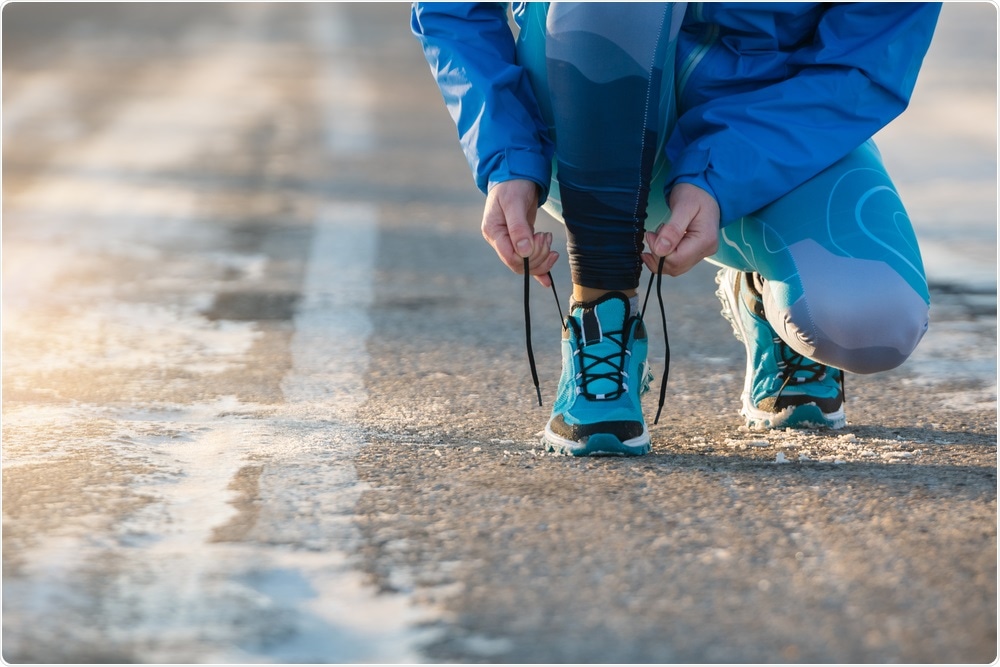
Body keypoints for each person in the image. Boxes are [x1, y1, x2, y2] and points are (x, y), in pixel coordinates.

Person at [411, 2, 941, 456]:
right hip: (578, 117)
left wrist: (721, 178)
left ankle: (765, 289)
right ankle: (602, 316)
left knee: (873, 321)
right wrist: (507, 154)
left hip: (765, 138)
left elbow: (864, 63)